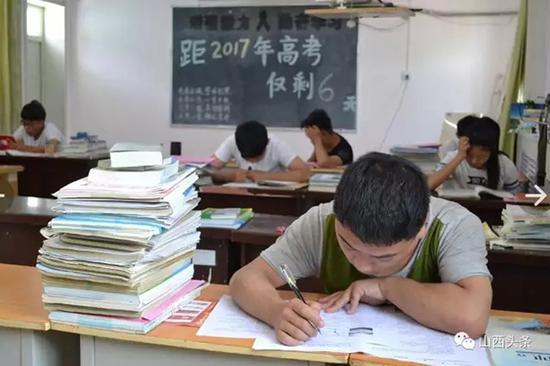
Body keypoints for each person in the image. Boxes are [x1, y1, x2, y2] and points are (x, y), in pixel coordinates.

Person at [230, 152, 492, 346]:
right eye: (348, 245)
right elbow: (246, 279)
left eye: (384, 256)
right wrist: (275, 311)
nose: (363, 266)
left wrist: (386, 287)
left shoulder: (453, 226)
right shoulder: (322, 222)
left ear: (421, 229)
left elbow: (472, 317)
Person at [428, 116, 522, 192]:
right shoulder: (454, 157)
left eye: (481, 157)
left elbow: (514, 196)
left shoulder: (504, 163)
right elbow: (429, 185)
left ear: (491, 152)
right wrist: (460, 157)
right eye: (470, 156)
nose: (475, 161)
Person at [211, 120, 310, 183]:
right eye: (248, 159)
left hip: (274, 197)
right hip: (243, 195)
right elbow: (207, 170)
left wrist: (263, 176)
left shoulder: (276, 144)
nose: (252, 163)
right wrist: (231, 176)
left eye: (256, 158)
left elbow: (304, 173)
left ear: (267, 143)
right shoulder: (233, 141)